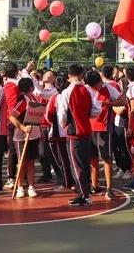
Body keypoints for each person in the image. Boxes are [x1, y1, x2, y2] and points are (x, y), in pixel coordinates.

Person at [59, 64, 101, 206]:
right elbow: (97, 110)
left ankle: (84, 195)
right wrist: (85, 115)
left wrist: (65, 124)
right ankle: (85, 192)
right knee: (84, 163)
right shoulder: (88, 90)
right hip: (86, 131)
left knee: (77, 166)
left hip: (74, 133)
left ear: (69, 76)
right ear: (82, 75)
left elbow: (62, 114)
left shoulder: (67, 92)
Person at [85, 69, 123, 199]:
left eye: (100, 83)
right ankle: (95, 185)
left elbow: (123, 101)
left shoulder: (108, 88)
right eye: (96, 85)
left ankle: (109, 188)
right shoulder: (86, 89)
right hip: (88, 128)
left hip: (104, 128)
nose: (99, 86)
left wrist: (108, 103)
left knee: (106, 158)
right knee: (92, 158)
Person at [8, 77, 42, 198]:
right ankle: (20, 187)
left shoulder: (34, 98)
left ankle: (31, 186)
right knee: (22, 162)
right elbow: (12, 117)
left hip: (34, 135)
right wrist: (23, 128)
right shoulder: (23, 101)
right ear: (31, 87)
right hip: (22, 136)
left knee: (31, 161)